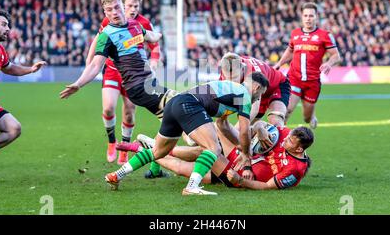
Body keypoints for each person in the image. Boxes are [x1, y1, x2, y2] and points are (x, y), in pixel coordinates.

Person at [59, 0, 176, 175]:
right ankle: (114, 142)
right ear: (106, 13)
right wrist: (80, 81)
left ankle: (137, 154)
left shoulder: (138, 24)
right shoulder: (107, 31)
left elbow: (151, 38)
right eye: (109, 10)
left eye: (118, 8)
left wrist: (159, 37)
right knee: (109, 108)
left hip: (142, 81)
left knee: (141, 114)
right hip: (122, 77)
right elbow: (96, 62)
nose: (116, 12)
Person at [105, 73, 269, 195]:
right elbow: (245, 129)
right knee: (213, 148)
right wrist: (247, 155)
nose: (258, 99)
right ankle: (192, 187)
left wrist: (240, 147)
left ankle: (117, 175)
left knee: (158, 152)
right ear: (256, 88)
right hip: (190, 105)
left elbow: (223, 125)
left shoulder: (233, 91)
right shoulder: (245, 96)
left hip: (175, 103)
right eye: (261, 94)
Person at [86, 0, 161, 169]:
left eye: (136, 6)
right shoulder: (108, 21)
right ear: (122, 4)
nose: (133, 9)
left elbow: (155, 45)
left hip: (134, 75)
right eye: (129, 5)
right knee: (109, 108)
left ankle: (124, 149)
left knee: (129, 111)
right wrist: (89, 63)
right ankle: (112, 141)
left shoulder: (142, 23)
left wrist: (154, 61)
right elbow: (97, 42)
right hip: (112, 70)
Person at [120, 120, 313, 190]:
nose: (286, 139)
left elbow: (267, 186)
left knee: (184, 166)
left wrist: (241, 181)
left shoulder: (294, 169)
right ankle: (155, 148)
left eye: (290, 142)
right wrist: (261, 127)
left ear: (299, 149)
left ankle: (147, 149)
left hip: (234, 175)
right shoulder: (288, 134)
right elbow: (263, 124)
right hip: (241, 159)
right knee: (215, 132)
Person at [0, 10, 46, 187]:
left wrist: (30, 69)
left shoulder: (0, 50)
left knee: (14, 129)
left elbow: (9, 68)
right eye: (4, 24)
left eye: (8, 25)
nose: (8, 29)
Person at [274, 2, 340, 129]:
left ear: (316, 17)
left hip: (312, 82)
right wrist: (279, 63)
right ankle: (279, 140)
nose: (308, 18)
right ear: (302, 17)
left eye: (311, 16)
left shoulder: (325, 35)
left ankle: (312, 114)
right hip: (294, 79)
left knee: (306, 117)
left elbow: (336, 55)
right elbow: (290, 51)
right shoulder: (295, 33)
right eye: (305, 16)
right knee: (286, 111)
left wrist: (329, 63)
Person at [220, 52, 290, 126]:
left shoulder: (253, 75)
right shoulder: (226, 67)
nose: (232, 82)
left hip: (276, 86)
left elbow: (254, 109)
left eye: (235, 77)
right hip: (256, 93)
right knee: (249, 129)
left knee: (276, 121)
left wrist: (236, 130)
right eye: (228, 79)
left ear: (242, 69)